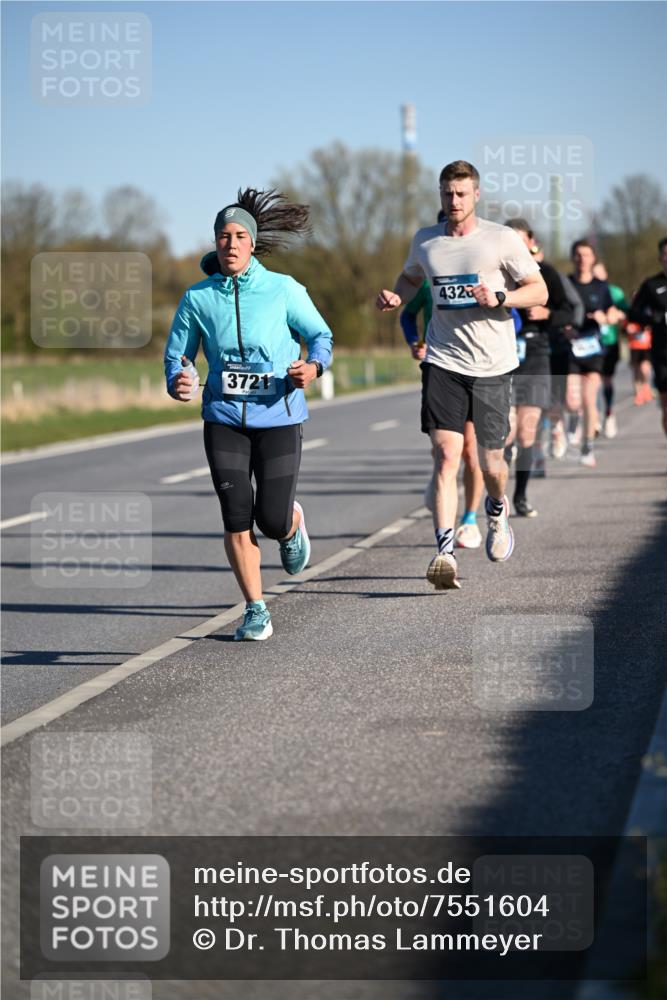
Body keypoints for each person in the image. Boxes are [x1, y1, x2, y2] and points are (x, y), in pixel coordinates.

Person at [164, 188, 333, 640]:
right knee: (236, 516)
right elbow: (177, 357)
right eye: (224, 236)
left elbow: (321, 336)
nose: (231, 244)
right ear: (215, 242)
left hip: (278, 416)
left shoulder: (283, 290)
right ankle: (256, 609)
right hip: (222, 419)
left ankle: (292, 524)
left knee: (270, 520)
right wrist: (178, 380)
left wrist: (312, 367)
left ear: (252, 242)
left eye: (240, 235)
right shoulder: (198, 299)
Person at [376, 160, 547, 591]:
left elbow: (539, 291)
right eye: (447, 194)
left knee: (491, 464)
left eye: (461, 194)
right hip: (443, 360)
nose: (453, 202)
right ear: (440, 195)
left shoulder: (501, 239)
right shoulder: (426, 241)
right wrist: (399, 294)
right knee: (446, 455)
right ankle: (445, 552)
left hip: (493, 366)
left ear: (476, 195)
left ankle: (496, 507)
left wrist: (501, 296)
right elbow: (412, 276)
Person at [400, 211, 484, 549]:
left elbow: (515, 320)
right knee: (449, 453)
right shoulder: (426, 282)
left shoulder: (482, 270)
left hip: (479, 367)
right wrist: (414, 343)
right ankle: (445, 543)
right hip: (441, 366)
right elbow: (408, 315)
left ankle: (471, 519)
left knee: (474, 455)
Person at [503, 219, 574, 516]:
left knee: (528, 428)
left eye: (522, 240)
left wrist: (546, 313)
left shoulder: (545, 274)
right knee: (506, 431)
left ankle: (519, 495)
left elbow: (569, 310)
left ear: (531, 242)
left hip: (535, 353)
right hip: (501, 354)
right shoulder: (496, 273)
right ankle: (498, 494)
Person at [567, 240, 623, 468]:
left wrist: (605, 318)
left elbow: (614, 314)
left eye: (587, 255)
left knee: (589, 399)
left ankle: (587, 446)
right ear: (573, 258)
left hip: (593, 349)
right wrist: (564, 327)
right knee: (571, 400)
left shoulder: (602, 286)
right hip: (570, 347)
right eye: (578, 255)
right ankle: (574, 421)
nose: (582, 259)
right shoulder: (566, 283)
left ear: (593, 258)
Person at [629, 237, 667, 435]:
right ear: (660, 258)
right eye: (665, 255)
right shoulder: (652, 285)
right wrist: (654, 319)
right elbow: (633, 312)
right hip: (662, 351)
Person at [592, 261, 628, 438]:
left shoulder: (615, 292)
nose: (597, 277)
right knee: (593, 382)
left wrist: (616, 315)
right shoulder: (587, 289)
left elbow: (627, 312)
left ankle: (609, 413)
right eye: (594, 273)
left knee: (606, 381)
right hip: (591, 344)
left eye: (600, 273)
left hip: (610, 341)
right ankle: (594, 417)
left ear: (605, 274)